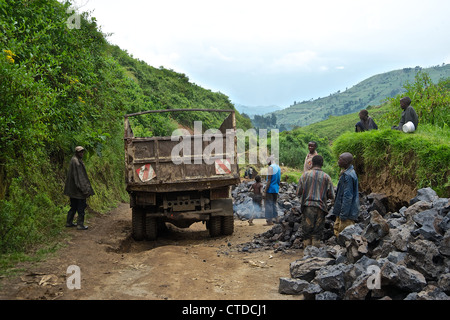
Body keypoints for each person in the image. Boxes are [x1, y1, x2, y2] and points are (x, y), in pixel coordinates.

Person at [296, 155, 334, 248]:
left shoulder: (305, 175)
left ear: (312, 163)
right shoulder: (326, 177)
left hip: (307, 207)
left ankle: (306, 253)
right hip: (321, 207)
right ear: (322, 164)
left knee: (307, 232)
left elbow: (298, 192)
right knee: (317, 233)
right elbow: (331, 195)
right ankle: (314, 254)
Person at [64, 146, 95, 230]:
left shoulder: (73, 160)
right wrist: (84, 189)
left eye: (82, 152)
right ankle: (80, 224)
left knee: (73, 206)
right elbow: (80, 178)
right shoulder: (77, 162)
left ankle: (69, 222)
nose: (82, 153)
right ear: (76, 152)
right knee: (81, 207)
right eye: (80, 152)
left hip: (72, 190)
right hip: (77, 191)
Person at [333, 152, 360, 237]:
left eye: (340, 159)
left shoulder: (348, 175)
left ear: (346, 162)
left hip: (346, 213)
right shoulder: (347, 173)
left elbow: (347, 196)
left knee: (343, 235)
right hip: (344, 211)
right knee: (337, 230)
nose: (338, 161)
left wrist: (343, 215)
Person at [263, 156, 281, 226]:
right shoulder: (278, 168)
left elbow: (269, 180)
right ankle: (276, 219)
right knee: (274, 204)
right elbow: (279, 180)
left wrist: (265, 191)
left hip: (270, 189)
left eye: (267, 161)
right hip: (276, 188)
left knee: (268, 205)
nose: (267, 163)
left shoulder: (270, 168)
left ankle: (269, 221)